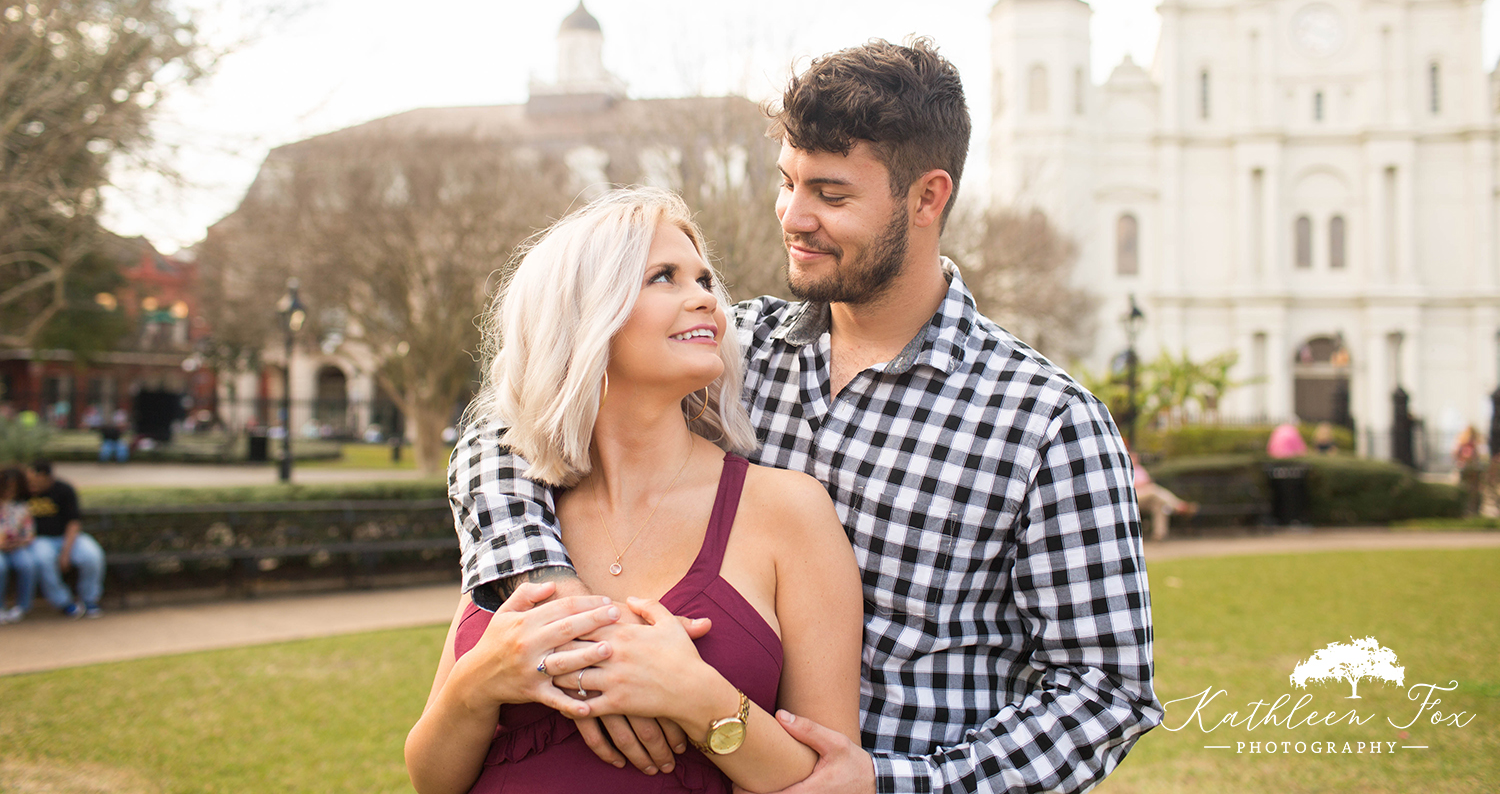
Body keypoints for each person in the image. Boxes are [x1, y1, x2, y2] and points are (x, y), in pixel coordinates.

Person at [449, 39, 1160, 794]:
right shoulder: (729, 348)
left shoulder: (1046, 421)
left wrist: (893, 784)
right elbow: (512, 423)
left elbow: (1105, 693)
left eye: (832, 194)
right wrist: (546, 578)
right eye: (787, 183)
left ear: (928, 198)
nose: (794, 216)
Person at [406, 190, 864, 794]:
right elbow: (431, 779)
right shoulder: (520, 514)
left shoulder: (785, 509)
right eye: (663, 278)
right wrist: (481, 681)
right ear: (584, 315)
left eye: (703, 278)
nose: (705, 295)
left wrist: (697, 697)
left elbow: (832, 777)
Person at [26, 461, 106, 618]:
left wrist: (65, 553)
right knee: (42, 560)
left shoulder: (64, 490)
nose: (30, 483)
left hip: (68, 537)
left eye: (33, 479)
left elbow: (74, 522)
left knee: (92, 556)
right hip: (40, 540)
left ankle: (89, 600)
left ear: (44, 476)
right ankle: (64, 603)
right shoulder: (24, 491)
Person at [1, 466, 38, 623]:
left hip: (17, 547)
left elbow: (29, 532)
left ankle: (22, 607)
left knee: (27, 565)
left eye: (14, 489)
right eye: (7, 488)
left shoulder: (22, 507)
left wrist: (20, 542)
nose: (10, 492)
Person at [1132, 458, 1199, 542]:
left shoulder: (1140, 469)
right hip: (1134, 496)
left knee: (1159, 505)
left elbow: (1148, 480)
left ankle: (1159, 535)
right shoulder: (1126, 468)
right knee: (1153, 490)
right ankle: (1180, 506)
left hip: (1146, 496)